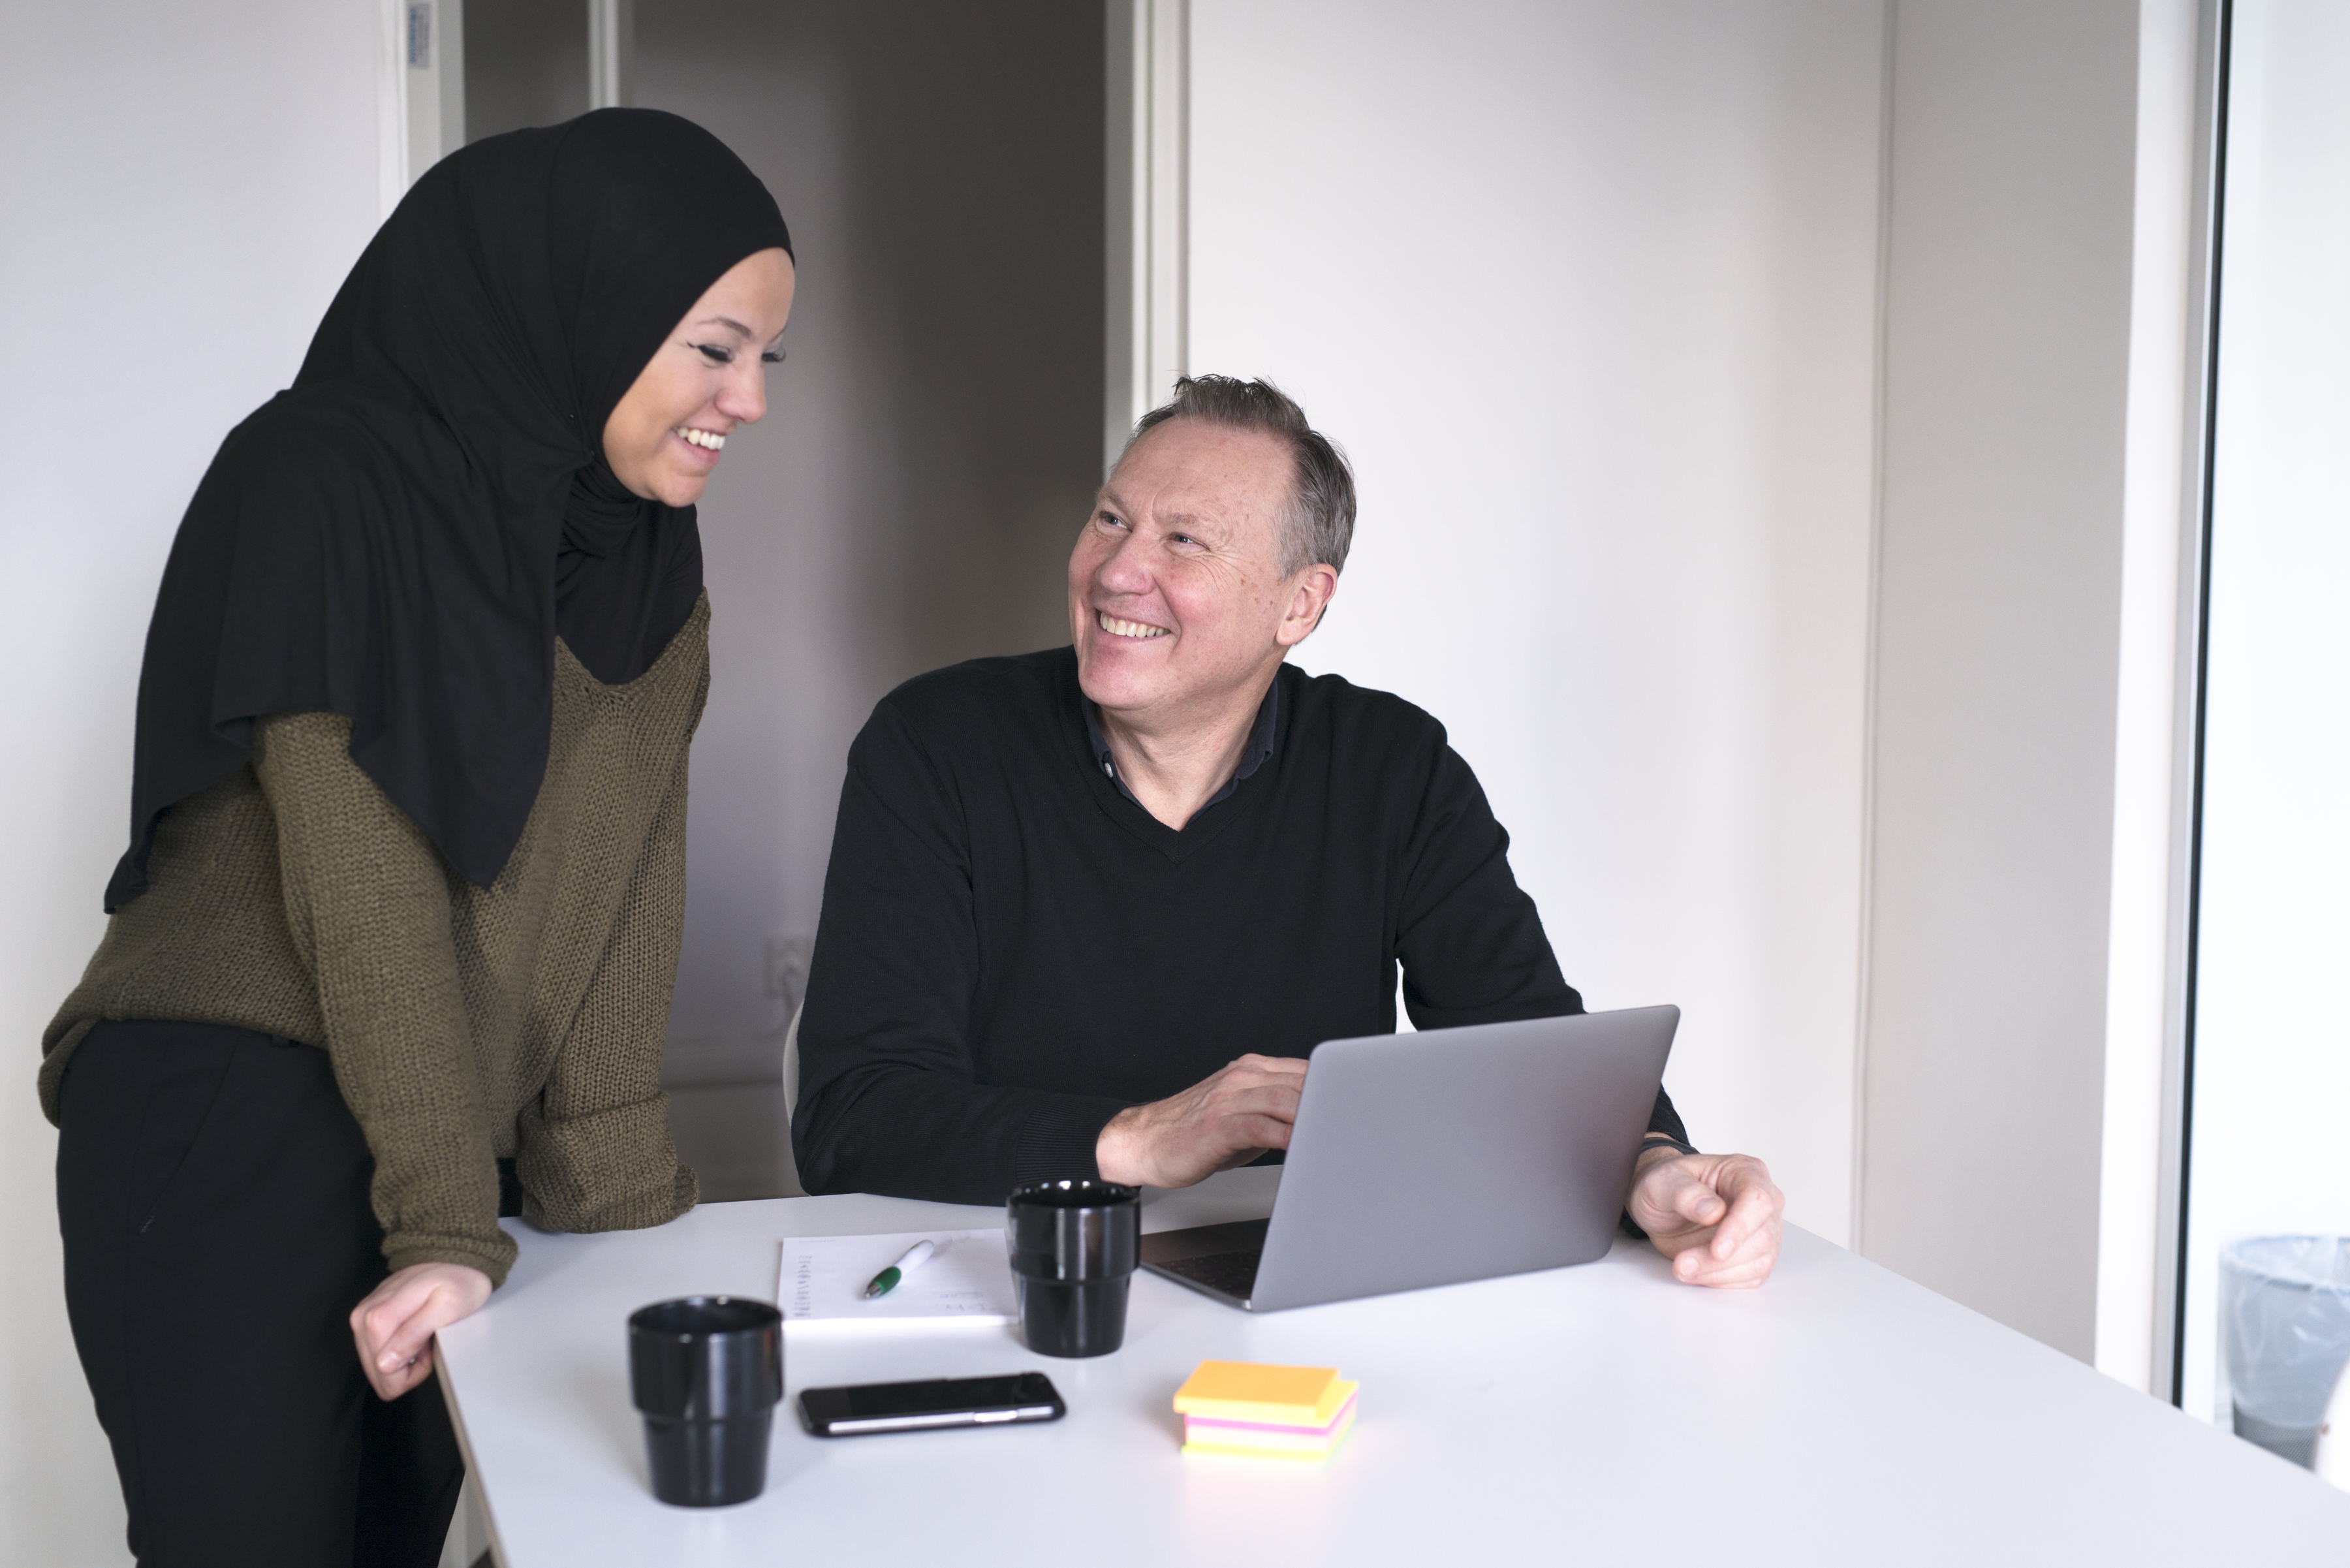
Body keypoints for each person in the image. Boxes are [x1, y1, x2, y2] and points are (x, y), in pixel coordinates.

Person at [41, 110, 794, 1566]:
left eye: (771, 357)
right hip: (231, 1116)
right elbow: (359, 874)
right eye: (716, 348)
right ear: (587, 307)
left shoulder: (651, 563)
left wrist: (623, 1223)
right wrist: (447, 1220)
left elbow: (628, 894)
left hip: (446, 1145)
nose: (750, 399)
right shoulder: (321, 475)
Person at [793, 375, 1783, 1290]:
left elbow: (1528, 1051)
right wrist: (1142, 1140)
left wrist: (1652, 1167)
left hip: (1295, 1293)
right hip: (1011, 1278)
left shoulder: (1392, 767)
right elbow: (854, 1117)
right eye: (1111, 519)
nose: (1118, 570)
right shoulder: (935, 745)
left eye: (1185, 541)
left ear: (1299, 605)